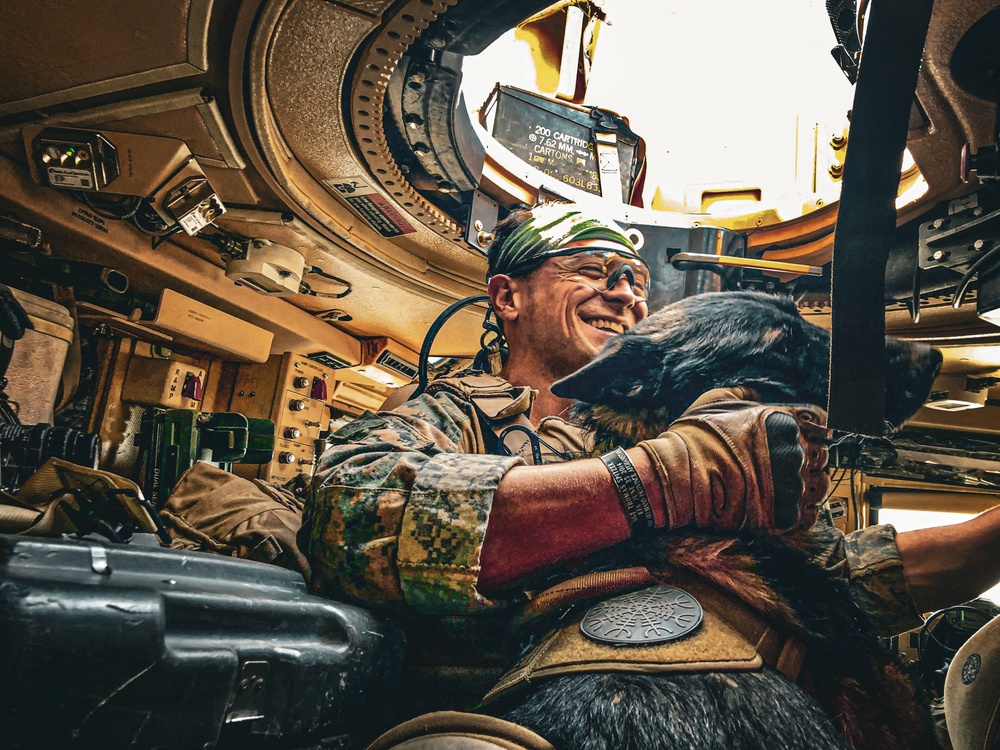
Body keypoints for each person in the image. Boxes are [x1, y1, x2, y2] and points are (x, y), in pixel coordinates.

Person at [298, 202, 1000, 718]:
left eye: (634, 279)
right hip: (498, 711)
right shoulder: (449, 415)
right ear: (507, 296)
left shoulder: (697, 428)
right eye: (590, 270)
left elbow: (837, 576)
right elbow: (350, 515)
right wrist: (660, 482)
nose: (624, 291)